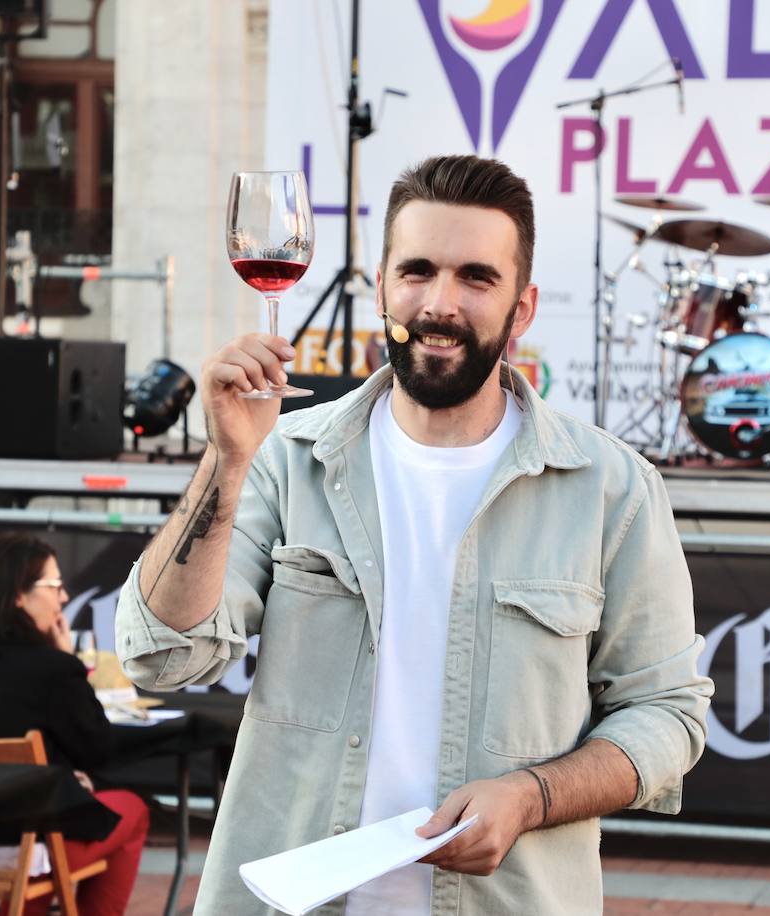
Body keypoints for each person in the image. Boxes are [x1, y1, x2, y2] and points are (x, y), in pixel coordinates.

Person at [116, 154, 712, 914]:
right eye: (418, 271)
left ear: (522, 309)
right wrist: (225, 462)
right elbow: (161, 657)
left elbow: (667, 713)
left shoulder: (611, 489)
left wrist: (530, 796)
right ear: (381, 288)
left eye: (476, 277)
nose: (440, 302)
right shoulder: (284, 461)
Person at [0, 532, 149, 916]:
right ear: (17, 596)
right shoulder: (52, 668)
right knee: (131, 810)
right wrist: (69, 661)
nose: (64, 598)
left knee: (52, 818)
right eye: (54, 586)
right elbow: (99, 751)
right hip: (22, 842)